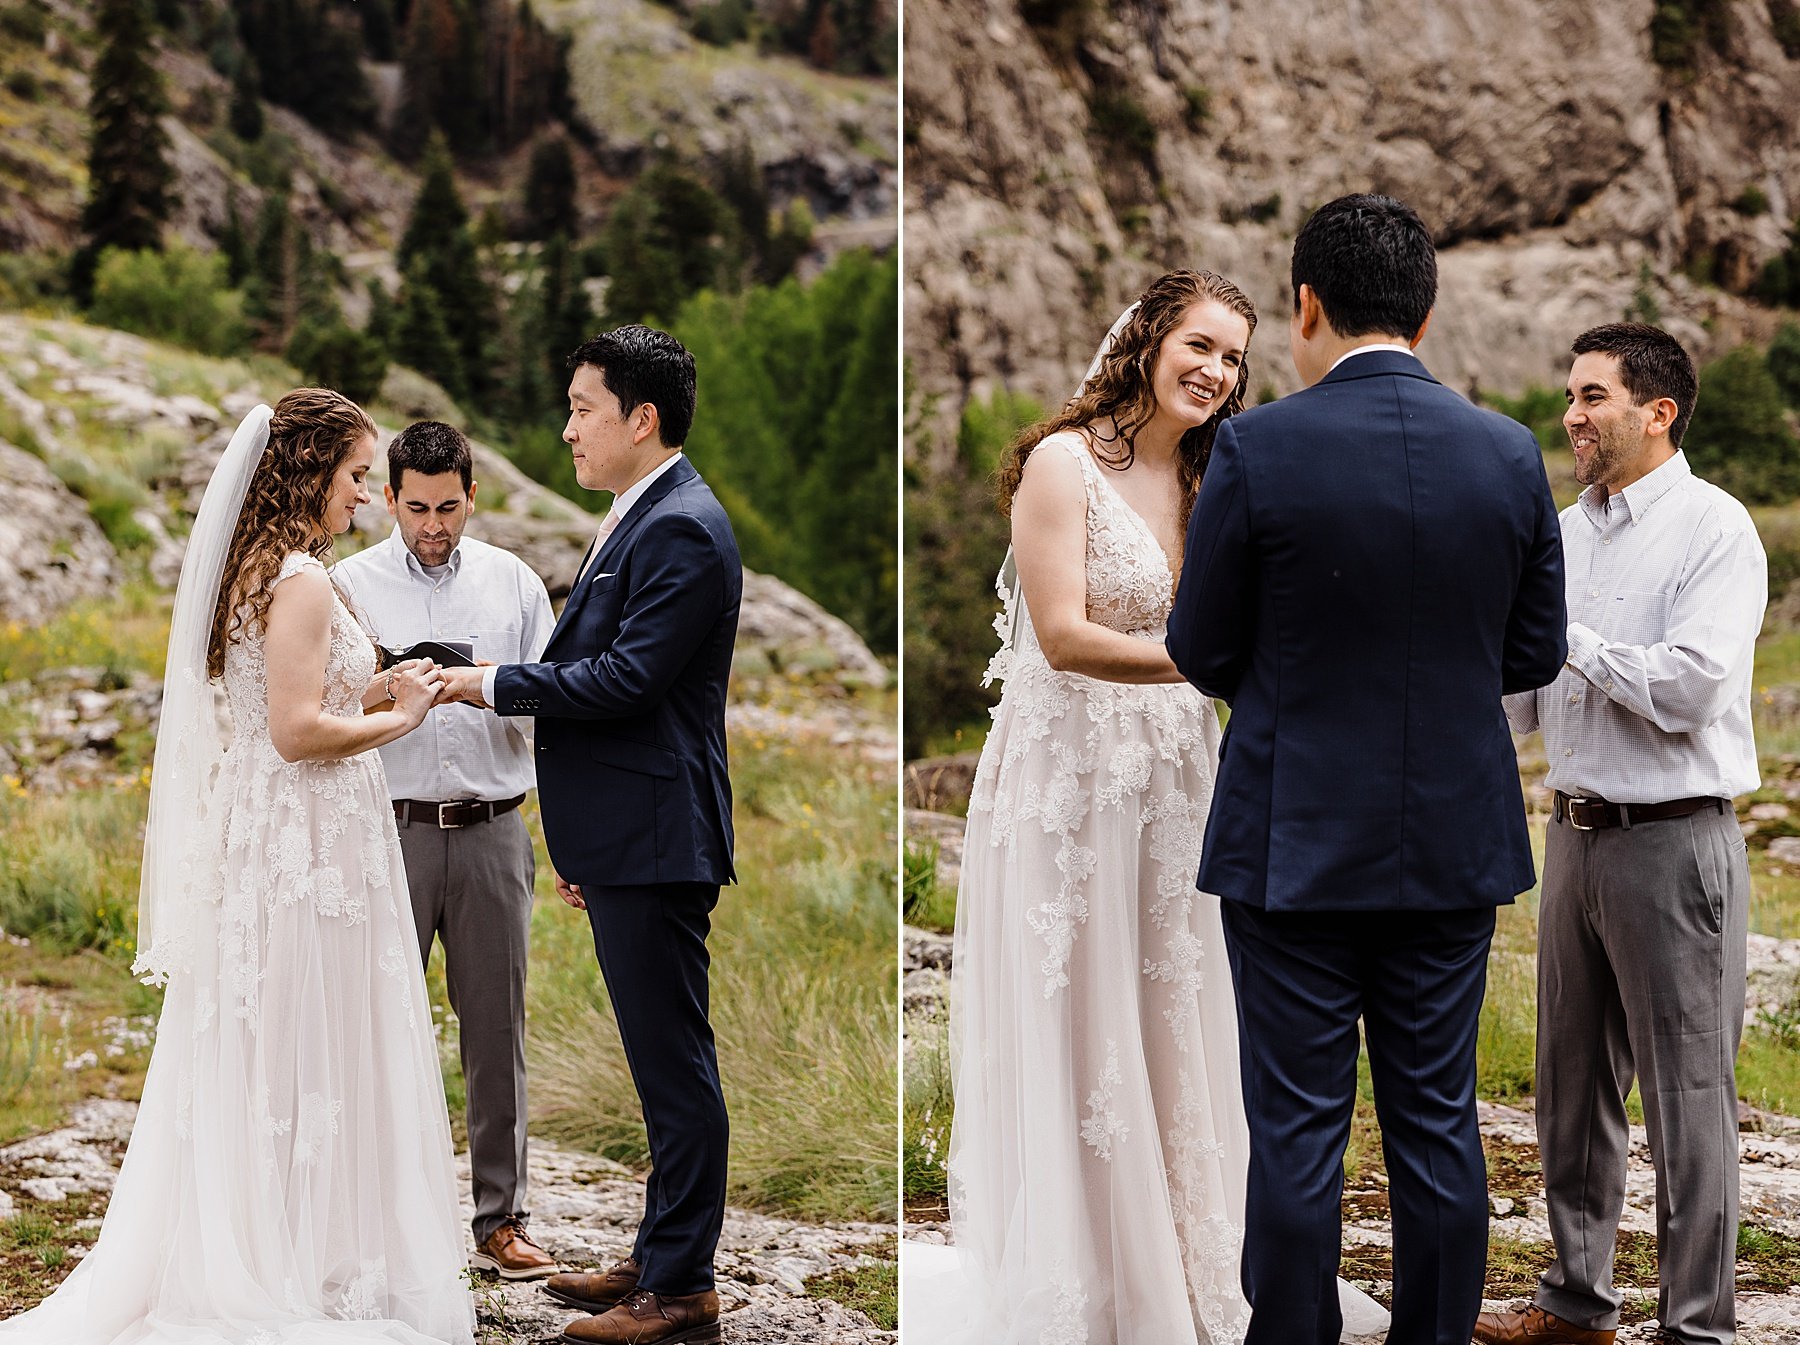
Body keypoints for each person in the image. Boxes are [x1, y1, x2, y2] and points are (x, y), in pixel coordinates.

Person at [903, 269, 1388, 1345]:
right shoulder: (1060, 464)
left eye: (1233, 358)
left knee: (1178, 1005)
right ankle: (1088, 1275)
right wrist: (1208, 662)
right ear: (1146, 340)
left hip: (1179, 780)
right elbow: (1065, 634)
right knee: (1082, 1011)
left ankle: (1190, 1256)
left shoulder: (1222, 477)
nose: (1215, 371)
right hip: (1067, 781)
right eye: (1200, 345)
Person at [1166, 195, 1568, 1345]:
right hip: (1452, 846)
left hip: (1291, 843)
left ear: (1306, 305)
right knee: (1438, 1122)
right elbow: (1536, 650)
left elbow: (1199, 647)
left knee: (1296, 1129)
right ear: (1426, 314)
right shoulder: (1507, 451)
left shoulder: (1257, 446)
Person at [0, 390, 474, 1344]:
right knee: (300, 1036)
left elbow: (305, 694)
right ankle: (286, 1256)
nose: (367, 499)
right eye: (353, 478)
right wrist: (402, 718)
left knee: (296, 1034)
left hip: (301, 824)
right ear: (307, 472)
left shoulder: (279, 569)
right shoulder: (296, 578)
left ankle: (305, 1239)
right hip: (303, 825)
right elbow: (298, 732)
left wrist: (387, 681)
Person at [437, 326, 739, 1345]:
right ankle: (657, 1257)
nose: (567, 428)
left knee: (675, 1065)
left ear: (640, 418)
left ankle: (683, 1286)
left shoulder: (684, 528)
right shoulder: (638, 516)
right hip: (626, 838)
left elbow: (625, 683)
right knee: (659, 1060)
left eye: (581, 407)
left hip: (660, 835)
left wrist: (484, 682)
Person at [1477, 325, 1768, 1345]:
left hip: (1677, 843)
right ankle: (1574, 1303)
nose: (1572, 416)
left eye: (1592, 396)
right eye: (1568, 396)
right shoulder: (1558, 530)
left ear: (1659, 411)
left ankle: (1697, 1327)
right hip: (1575, 838)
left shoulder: (1715, 530)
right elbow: (1519, 698)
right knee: (1569, 1089)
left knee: (1690, 1104)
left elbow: (1691, 688)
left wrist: (1567, 640)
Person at [332, 420, 557, 1281]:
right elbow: (320, 696)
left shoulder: (514, 583)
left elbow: (556, 708)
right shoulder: (347, 584)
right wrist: (391, 683)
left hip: (495, 828)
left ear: (473, 494)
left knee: (497, 1031)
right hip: (385, 830)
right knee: (369, 1023)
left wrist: (492, 686)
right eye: (417, 506)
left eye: (449, 506)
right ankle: (370, 1221)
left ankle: (502, 1218)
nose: (434, 524)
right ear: (389, 498)